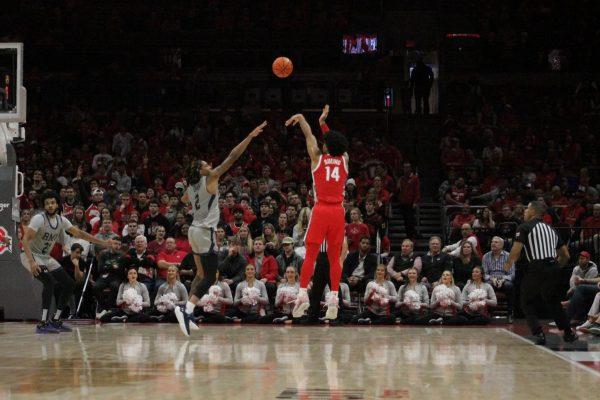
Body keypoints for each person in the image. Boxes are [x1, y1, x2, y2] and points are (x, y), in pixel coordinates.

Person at [175, 121, 267, 336]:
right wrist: (250, 136)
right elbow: (232, 157)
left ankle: (187, 312)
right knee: (209, 276)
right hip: (205, 232)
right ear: (201, 169)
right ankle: (185, 308)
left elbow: (183, 199)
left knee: (199, 273)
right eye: (206, 164)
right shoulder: (211, 177)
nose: (210, 165)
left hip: (193, 231)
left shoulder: (192, 184)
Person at [285, 105, 349, 321]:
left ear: (326, 146)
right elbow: (330, 140)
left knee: (311, 254)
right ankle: (333, 298)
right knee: (334, 258)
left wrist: (302, 118)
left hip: (321, 210)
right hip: (338, 212)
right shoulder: (345, 159)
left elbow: (308, 135)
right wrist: (323, 123)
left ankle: (302, 294)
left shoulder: (316, 158)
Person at [21, 191, 116, 333]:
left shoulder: (61, 220)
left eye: (52, 202)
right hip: (29, 255)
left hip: (45, 256)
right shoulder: (38, 219)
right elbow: (25, 240)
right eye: (47, 203)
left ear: (57, 204)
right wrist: (31, 261)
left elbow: (81, 234)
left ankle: (56, 320)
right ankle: (42, 323)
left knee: (69, 284)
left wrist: (103, 243)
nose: (50, 205)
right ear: (44, 206)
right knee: (48, 281)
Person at [503, 201, 578, 345]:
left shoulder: (524, 227)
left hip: (537, 267)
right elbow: (566, 255)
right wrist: (556, 267)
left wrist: (506, 267)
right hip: (553, 268)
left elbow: (516, 251)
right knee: (553, 302)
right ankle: (568, 333)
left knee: (526, 301)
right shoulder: (551, 229)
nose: (524, 212)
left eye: (526, 209)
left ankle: (539, 333)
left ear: (532, 211)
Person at [482, 236, 515, 322]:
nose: (493, 243)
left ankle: (510, 313)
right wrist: (492, 279)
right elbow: (484, 274)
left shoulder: (508, 256)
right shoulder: (486, 256)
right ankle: (488, 312)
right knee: (487, 285)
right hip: (491, 279)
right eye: (492, 242)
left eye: (496, 242)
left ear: (502, 245)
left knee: (509, 285)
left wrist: (503, 279)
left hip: (504, 279)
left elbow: (512, 274)